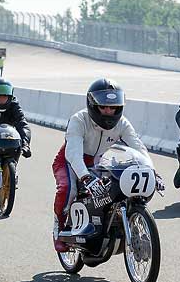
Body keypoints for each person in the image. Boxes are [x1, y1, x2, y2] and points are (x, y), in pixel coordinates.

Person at [50, 78, 161, 253]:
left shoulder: (122, 123)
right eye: (103, 107)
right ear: (93, 105)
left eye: (113, 108)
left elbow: (138, 147)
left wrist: (151, 170)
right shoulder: (79, 120)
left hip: (100, 162)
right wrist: (85, 176)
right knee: (67, 189)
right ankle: (59, 226)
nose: (108, 112)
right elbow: (73, 154)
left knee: (117, 186)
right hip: (69, 162)